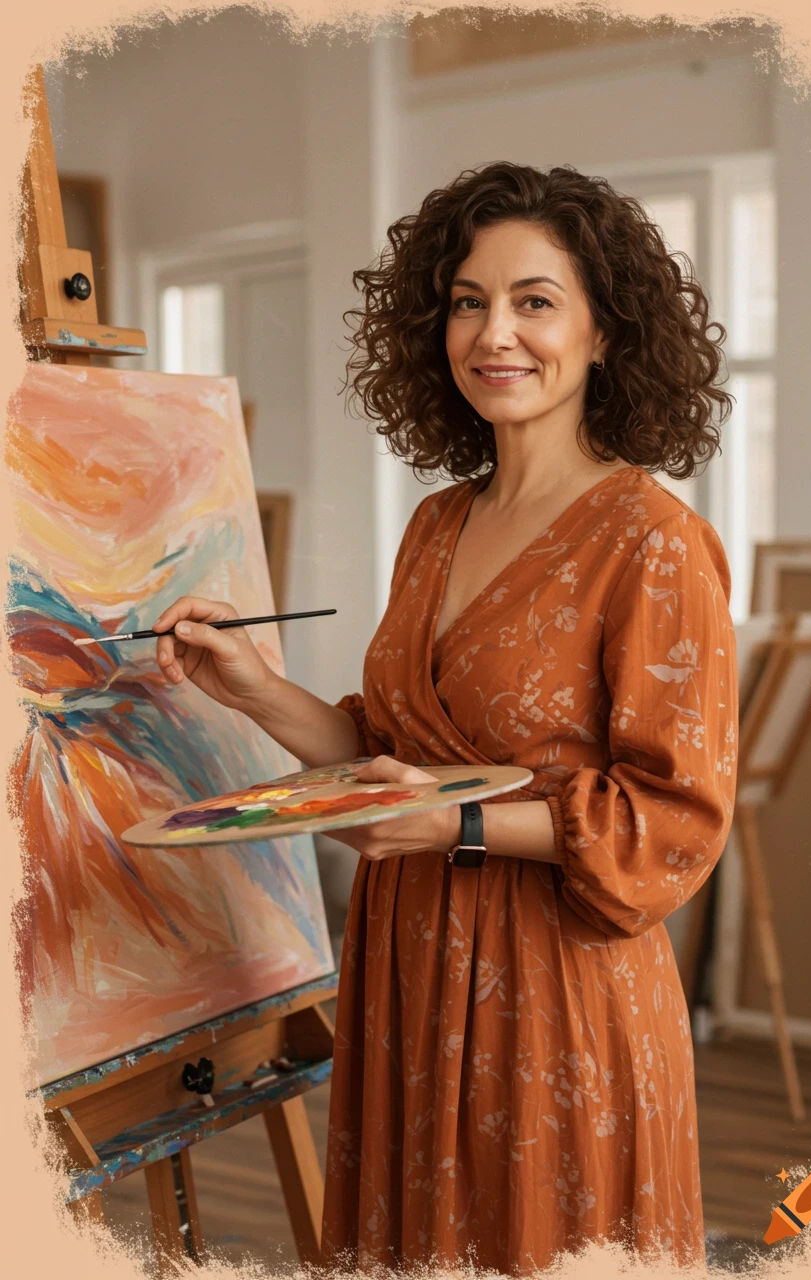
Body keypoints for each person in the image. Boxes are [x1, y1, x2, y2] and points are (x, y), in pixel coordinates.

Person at [153, 162, 738, 1275]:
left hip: (553, 988)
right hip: (407, 962)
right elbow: (395, 753)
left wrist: (453, 827)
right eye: (467, 300)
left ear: (605, 332)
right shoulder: (434, 522)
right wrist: (252, 687)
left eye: (533, 300)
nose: (493, 333)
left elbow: (671, 819)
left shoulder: (650, 538)